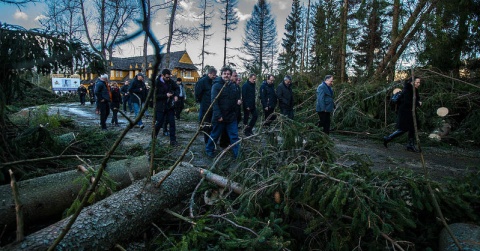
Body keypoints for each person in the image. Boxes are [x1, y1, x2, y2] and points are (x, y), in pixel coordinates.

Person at [205, 66, 241, 158]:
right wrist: (218, 116)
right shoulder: (216, 86)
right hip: (219, 117)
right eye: (224, 74)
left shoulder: (232, 86)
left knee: (234, 136)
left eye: (228, 74)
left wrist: (237, 102)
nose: (226, 75)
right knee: (215, 134)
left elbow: (234, 100)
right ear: (221, 74)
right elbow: (214, 102)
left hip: (231, 117)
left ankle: (238, 154)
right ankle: (209, 150)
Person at [383, 77, 422, 152]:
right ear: (412, 82)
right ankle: (388, 138)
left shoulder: (414, 90)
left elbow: (416, 99)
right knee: (404, 129)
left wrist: (418, 102)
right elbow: (407, 102)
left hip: (411, 111)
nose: (418, 84)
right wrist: (418, 103)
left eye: (419, 82)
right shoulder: (407, 90)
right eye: (417, 82)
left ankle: (410, 145)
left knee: (412, 128)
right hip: (405, 112)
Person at [154, 69, 179, 146]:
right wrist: (165, 95)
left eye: (169, 77)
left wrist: (176, 95)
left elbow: (177, 88)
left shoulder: (171, 82)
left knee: (172, 123)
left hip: (169, 106)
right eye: (167, 77)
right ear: (162, 76)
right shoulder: (157, 83)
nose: (168, 79)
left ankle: (173, 141)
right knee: (159, 123)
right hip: (160, 107)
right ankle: (153, 138)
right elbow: (155, 96)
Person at [195, 67, 217, 143]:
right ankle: (207, 141)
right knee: (206, 124)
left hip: (213, 106)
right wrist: (202, 101)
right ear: (209, 74)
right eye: (213, 75)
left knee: (212, 124)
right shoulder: (202, 82)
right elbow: (198, 93)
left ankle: (211, 140)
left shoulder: (214, 81)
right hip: (205, 106)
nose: (214, 76)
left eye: (215, 75)